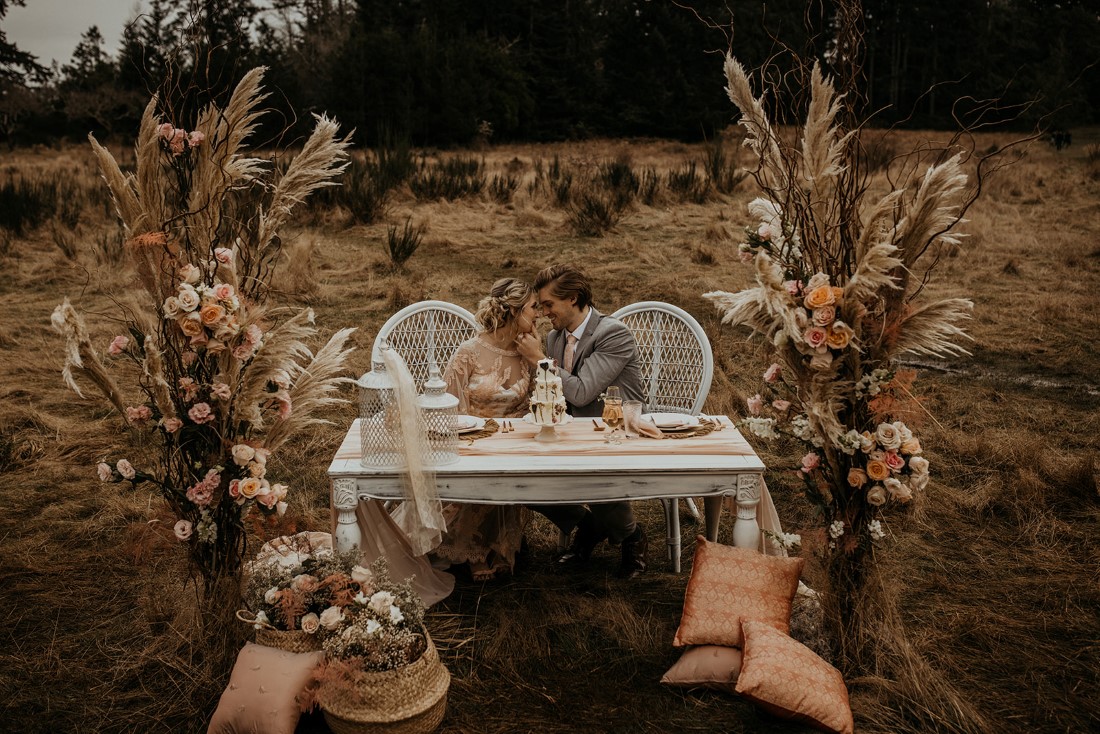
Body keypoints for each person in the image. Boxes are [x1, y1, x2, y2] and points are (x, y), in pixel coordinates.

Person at [515, 263, 649, 579]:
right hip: (573, 427)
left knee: (598, 477)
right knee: (524, 480)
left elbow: (581, 391)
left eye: (549, 304)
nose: (545, 312)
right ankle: (586, 523)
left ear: (573, 298)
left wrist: (539, 360)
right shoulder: (556, 336)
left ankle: (633, 536)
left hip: (619, 426)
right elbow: (557, 390)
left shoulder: (613, 333)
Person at [434, 277, 539, 581]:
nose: (539, 314)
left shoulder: (529, 353)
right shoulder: (469, 351)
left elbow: (541, 402)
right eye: (533, 307)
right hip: (468, 437)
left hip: (514, 441)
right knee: (482, 466)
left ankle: (497, 544)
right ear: (513, 311)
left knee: (506, 464)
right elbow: (446, 405)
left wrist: (539, 357)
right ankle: (472, 549)